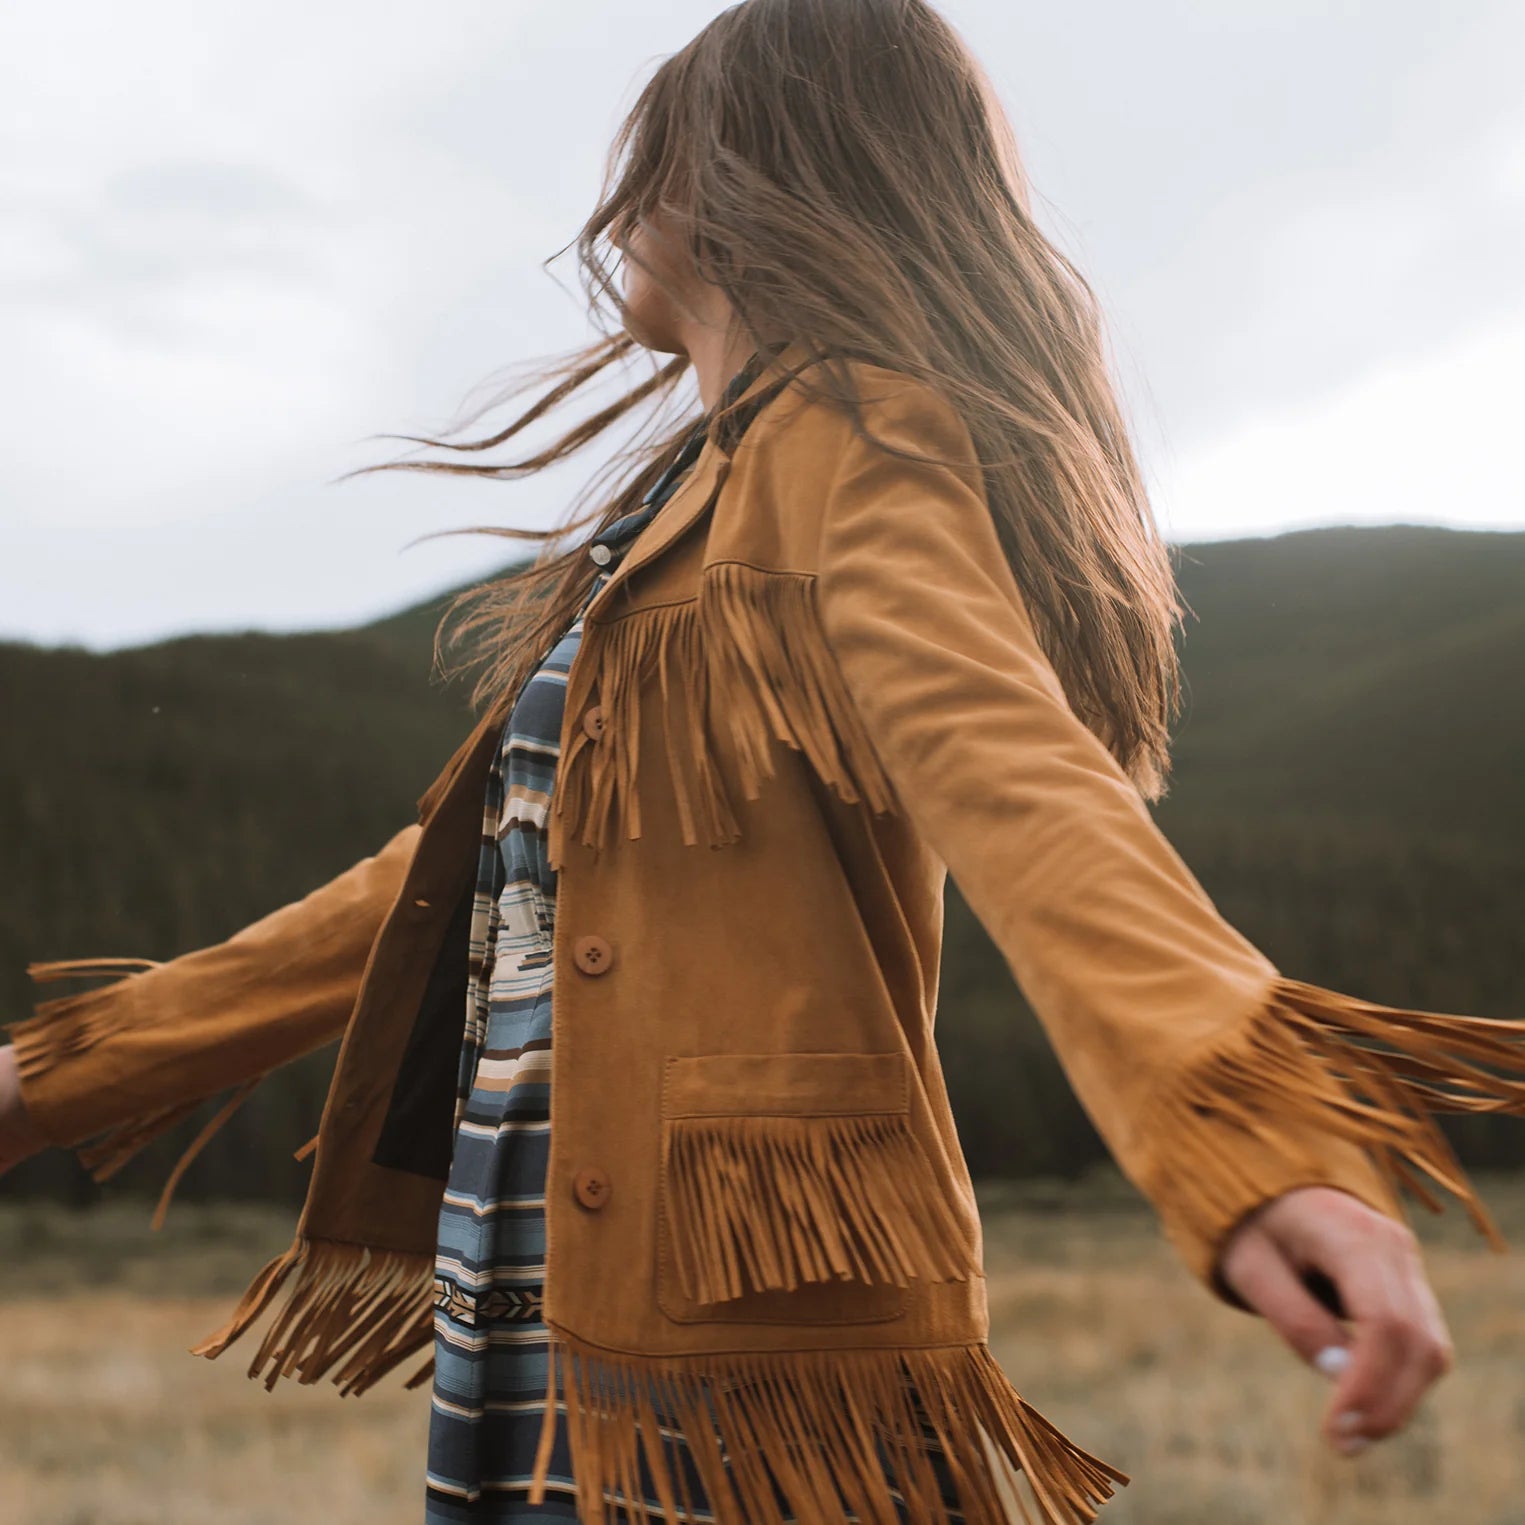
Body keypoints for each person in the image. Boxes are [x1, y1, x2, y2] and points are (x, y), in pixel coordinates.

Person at [3, 2, 1522, 1521]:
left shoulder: (854, 442)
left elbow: (1023, 787)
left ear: (731, 175)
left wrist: (1255, 1138)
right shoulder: (681, 501)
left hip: (746, 1334)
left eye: (650, 158)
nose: (617, 207)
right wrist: (59, 1075)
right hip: (542, 1290)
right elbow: (460, 888)